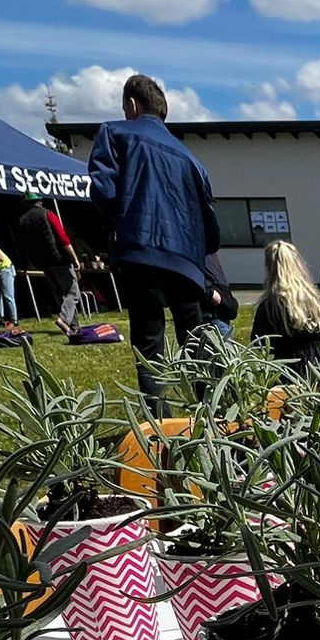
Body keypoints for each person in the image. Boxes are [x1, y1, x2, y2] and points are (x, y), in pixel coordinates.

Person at [88, 73, 222, 407]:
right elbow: (211, 230)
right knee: (195, 344)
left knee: (150, 346)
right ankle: (210, 416)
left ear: (132, 105)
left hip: (140, 252)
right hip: (187, 263)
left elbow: (104, 191)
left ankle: (158, 423)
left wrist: (121, 220)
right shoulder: (191, 160)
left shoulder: (115, 133)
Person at [249, 240, 320, 374]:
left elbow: (259, 343)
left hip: (286, 366)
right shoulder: (311, 298)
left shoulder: (269, 305)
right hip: (316, 363)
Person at [15, 190, 81, 335]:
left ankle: (72, 326)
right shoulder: (48, 214)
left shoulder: (22, 220)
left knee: (59, 293)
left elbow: (24, 244)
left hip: (42, 261)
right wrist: (74, 258)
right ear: (40, 201)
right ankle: (64, 319)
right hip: (58, 259)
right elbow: (62, 238)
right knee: (72, 292)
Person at [202, 251, 239, 336]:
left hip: (221, 314)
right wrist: (210, 293)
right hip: (211, 316)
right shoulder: (193, 250)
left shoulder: (208, 252)